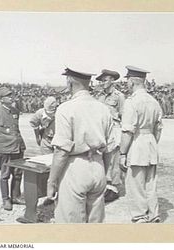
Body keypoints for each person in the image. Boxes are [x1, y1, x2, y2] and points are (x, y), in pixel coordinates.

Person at [46, 67, 113, 223]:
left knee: (71, 226)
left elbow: (61, 151)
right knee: (95, 225)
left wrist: (52, 181)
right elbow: (110, 148)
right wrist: (104, 172)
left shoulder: (65, 108)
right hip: (98, 165)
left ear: (69, 82)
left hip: (75, 167)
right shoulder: (103, 108)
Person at [119, 66, 163, 223]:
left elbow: (127, 131)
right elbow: (159, 128)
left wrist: (123, 153)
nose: (127, 85)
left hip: (137, 143)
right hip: (150, 141)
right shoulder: (154, 101)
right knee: (151, 182)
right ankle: (154, 213)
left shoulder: (131, 102)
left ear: (131, 82)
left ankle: (140, 215)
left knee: (135, 183)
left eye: (127, 81)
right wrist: (152, 142)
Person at [0, 87, 26, 211]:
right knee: (5, 175)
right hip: (4, 148)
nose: (11, 97)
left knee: (18, 173)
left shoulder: (15, 111)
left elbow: (15, 129)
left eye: (12, 95)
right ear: (1, 99)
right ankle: (6, 199)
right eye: (8, 96)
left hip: (17, 147)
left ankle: (16, 196)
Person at [96, 69, 125, 202]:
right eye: (101, 80)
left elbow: (123, 115)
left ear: (112, 80)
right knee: (102, 157)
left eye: (105, 80)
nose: (102, 83)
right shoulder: (99, 96)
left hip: (114, 129)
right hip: (102, 129)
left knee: (113, 158)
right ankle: (104, 186)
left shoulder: (119, 96)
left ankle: (114, 188)